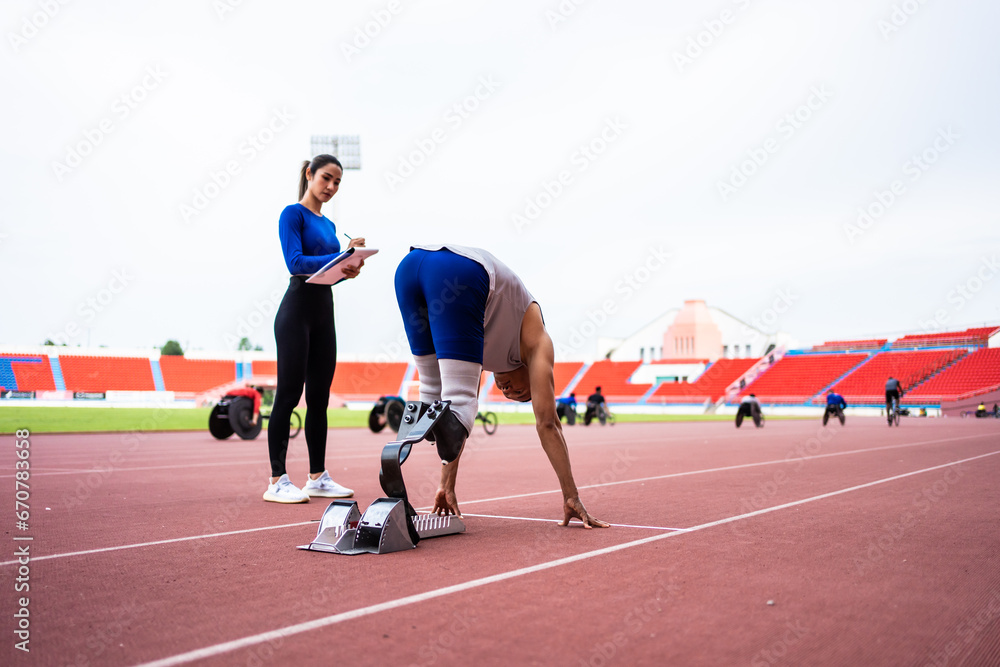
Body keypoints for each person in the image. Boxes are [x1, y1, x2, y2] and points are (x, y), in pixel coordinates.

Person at [394, 244, 608, 528]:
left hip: (409, 269)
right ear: (530, 374)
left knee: (433, 401)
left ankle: (393, 484)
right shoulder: (538, 344)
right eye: (520, 391)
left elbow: (452, 425)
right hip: (464, 271)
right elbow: (548, 423)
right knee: (460, 405)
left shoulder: (476, 349)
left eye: (509, 394)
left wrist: (446, 485)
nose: (509, 390)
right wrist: (571, 494)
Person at [264, 154, 364, 504]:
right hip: (296, 314)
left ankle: (317, 477)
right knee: (289, 396)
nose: (331, 187)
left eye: (337, 182)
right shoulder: (292, 214)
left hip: (324, 313)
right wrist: (340, 257)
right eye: (326, 178)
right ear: (309, 174)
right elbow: (295, 263)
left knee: (319, 400)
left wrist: (348, 267)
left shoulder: (330, 228)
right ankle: (276, 480)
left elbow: (325, 276)